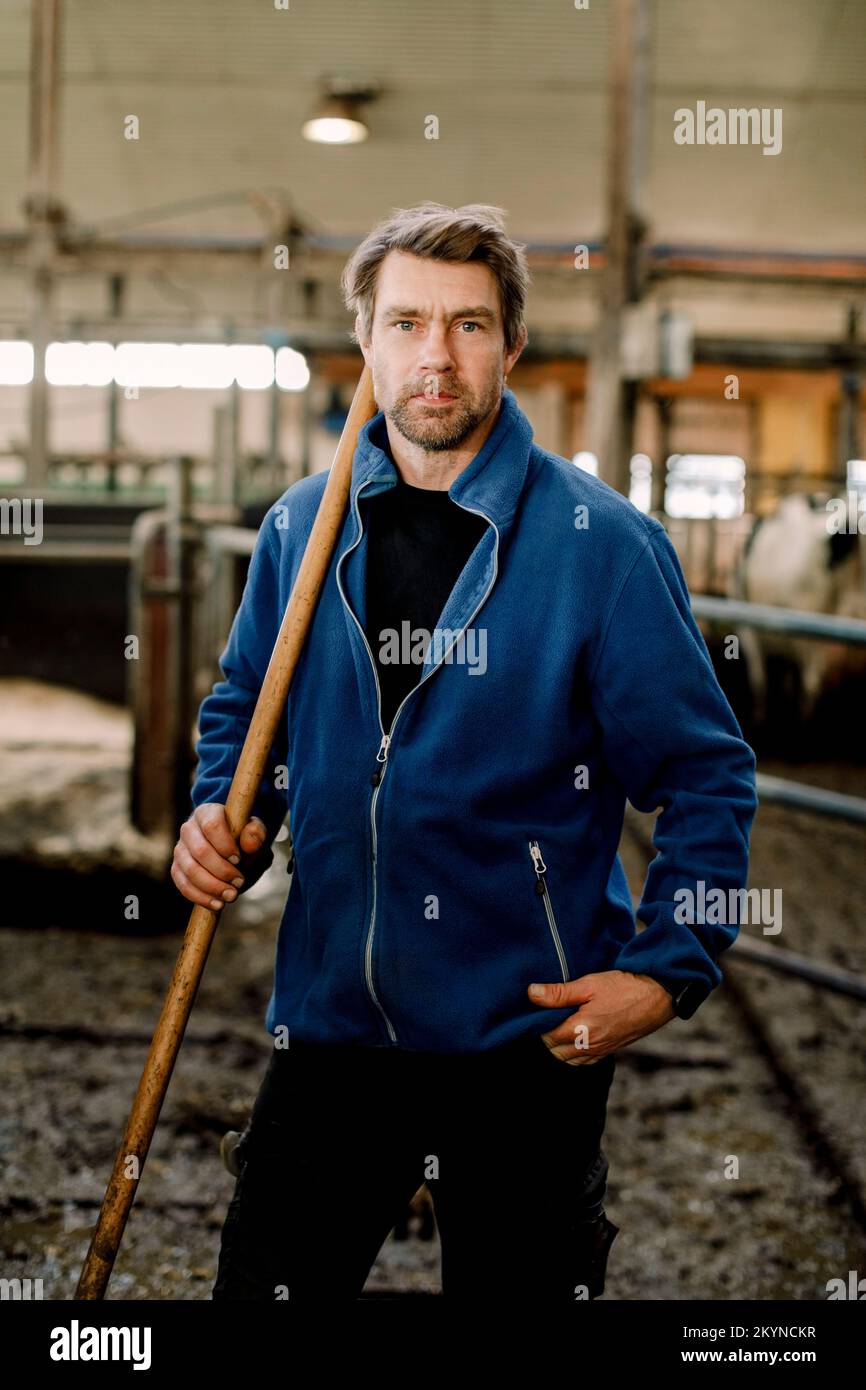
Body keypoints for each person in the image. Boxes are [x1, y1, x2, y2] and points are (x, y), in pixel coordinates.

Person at [172, 202, 758, 1300]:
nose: (434, 355)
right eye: (405, 322)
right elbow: (245, 711)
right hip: (332, 1028)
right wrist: (223, 820)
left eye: (468, 325)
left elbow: (705, 775)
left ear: (512, 346)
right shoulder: (304, 529)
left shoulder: (602, 548)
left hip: (521, 1040)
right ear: (366, 342)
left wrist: (665, 969)